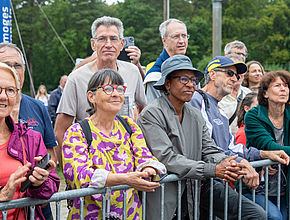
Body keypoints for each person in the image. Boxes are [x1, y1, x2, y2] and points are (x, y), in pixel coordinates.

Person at [137, 54, 268, 220]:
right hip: (166, 195)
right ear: (167, 83)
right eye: (184, 79)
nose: (191, 85)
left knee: (256, 214)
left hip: (194, 191)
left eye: (193, 80)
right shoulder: (151, 114)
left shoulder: (194, 114)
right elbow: (167, 158)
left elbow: (210, 149)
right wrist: (213, 169)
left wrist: (231, 165)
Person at [189, 56, 289, 219]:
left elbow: (233, 148)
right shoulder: (196, 100)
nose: (234, 79)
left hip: (215, 181)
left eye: (236, 76)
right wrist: (242, 163)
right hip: (200, 182)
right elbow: (207, 149)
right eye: (229, 73)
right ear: (213, 74)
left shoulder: (220, 110)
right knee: (257, 215)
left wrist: (265, 154)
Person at [62, 69, 166, 219]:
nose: (116, 94)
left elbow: (144, 156)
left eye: (120, 89)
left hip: (130, 214)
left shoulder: (129, 126)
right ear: (91, 96)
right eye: (108, 89)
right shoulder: (77, 132)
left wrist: (148, 169)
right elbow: (80, 176)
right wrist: (124, 180)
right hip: (91, 215)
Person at [55, 16, 147, 169]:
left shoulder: (132, 72)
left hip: (127, 164)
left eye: (113, 39)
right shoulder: (76, 78)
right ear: (93, 44)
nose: (108, 44)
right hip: (91, 164)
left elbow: (143, 109)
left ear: (122, 43)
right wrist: (69, 171)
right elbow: (60, 129)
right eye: (102, 39)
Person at [0, 42, 58, 220]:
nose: (3, 96)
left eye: (10, 90)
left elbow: (52, 181)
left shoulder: (29, 136)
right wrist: (2, 196)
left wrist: (39, 182)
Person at [245, 70, 290, 220]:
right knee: (275, 217)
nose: (283, 89)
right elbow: (270, 146)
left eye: (286, 86)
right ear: (265, 93)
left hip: (284, 188)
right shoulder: (253, 115)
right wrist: (276, 155)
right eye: (277, 85)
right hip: (256, 187)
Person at [143, 18, 189, 104]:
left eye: (184, 36)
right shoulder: (155, 77)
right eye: (176, 36)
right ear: (164, 41)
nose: (181, 41)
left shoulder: (191, 71)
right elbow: (155, 114)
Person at [219, 42, 252, 135]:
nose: (236, 75)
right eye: (237, 54)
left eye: (243, 55)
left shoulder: (248, 93)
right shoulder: (216, 94)